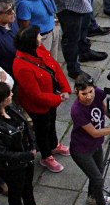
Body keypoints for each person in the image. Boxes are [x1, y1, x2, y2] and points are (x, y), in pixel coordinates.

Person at [12, 24, 70, 171]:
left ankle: (54, 145)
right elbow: (35, 95)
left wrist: (64, 88)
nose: (40, 37)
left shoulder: (38, 49)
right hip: (38, 106)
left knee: (51, 123)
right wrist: (58, 99)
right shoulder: (22, 65)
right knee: (41, 129)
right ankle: (46, 156)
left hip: (49, 99)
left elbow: (54, 67)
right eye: (38, 36)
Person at [68, 77, 110, 205]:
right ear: (77, 92)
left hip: (96, 145)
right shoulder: (77, 110)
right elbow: (93, 132)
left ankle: (93, 196)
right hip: (81, 150)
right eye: (84, 94)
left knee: (99, 170)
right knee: (98, 178)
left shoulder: (98, 94)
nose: (89, 96)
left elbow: (102, 106)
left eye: (90, 92)